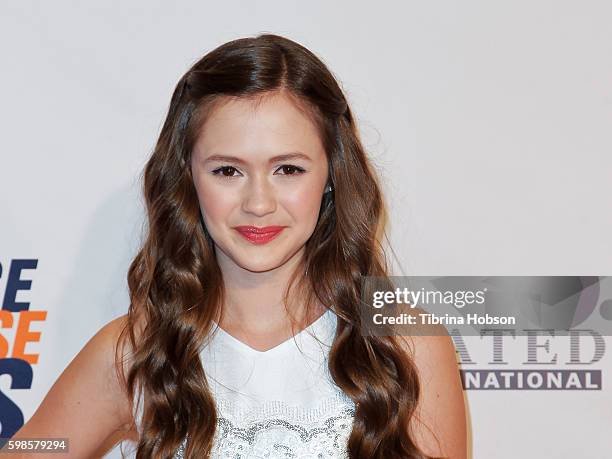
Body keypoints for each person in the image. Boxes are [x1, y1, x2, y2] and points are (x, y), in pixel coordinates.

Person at [9, 34, 468, 458]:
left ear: (332, 175)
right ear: (186, 177)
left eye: (288, 169)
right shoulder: (138, 349)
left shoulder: (404, 345)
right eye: (228, 170)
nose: (259, 204)